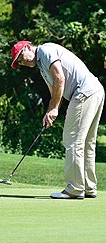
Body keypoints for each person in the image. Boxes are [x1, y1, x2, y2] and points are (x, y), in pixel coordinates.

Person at [11, 40, 105, 199]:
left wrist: (54, 109)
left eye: (21, 57)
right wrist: (50, 111)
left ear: (27, 47)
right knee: (87, 142)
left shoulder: (45, 51)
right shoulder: (42, 66)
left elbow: (59, 79)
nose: (22, 63)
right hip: (94, 90)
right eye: (19, 62)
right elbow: (56, 91)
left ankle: (75, 188)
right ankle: (89, 187)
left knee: (73, 140)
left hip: (84, 92)